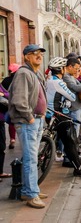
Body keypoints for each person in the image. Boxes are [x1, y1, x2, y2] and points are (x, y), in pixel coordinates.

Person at [8, 44, 48, 208]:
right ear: (26, 57)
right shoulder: (24, 73)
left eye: (40, 53)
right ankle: (31, 194)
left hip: (36, 120)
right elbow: (19, 100)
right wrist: (30, 118)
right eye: (34, 53)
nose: (39, 56)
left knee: (31, 157)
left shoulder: (35, 73)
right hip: (27, 122)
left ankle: (30, 190)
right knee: (31, 159)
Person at [46, 57, 81, 176]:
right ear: (62, 69)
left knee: (67, 141)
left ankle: (74, 163)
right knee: (70, 141)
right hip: (59, 114)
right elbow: (72, 97)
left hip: (51, 113)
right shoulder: (58, 82)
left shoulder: (49, 80)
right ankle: (78, 168)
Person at [2, 63, 19, 149]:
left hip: (8, 104)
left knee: (11, 122)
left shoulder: (5, 80)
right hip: (18, 103)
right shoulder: (19, 80)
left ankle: (12, 139)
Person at [0, 82, 11, 181]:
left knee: (1, 146)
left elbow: (8, 94)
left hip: (0, 120)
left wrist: (3, 94)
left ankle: (0, 171)